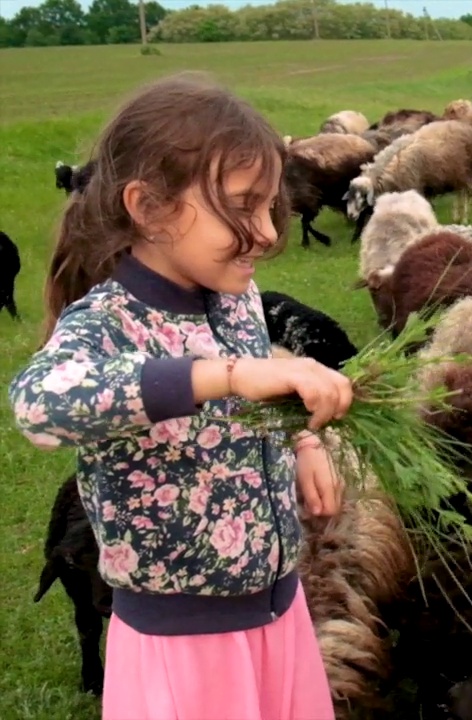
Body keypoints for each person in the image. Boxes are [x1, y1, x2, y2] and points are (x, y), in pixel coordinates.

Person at [9, 72, 351, 720]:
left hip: (278, 612)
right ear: (150, 208)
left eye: (269, 206)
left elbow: (254, 400)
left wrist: (301, 439)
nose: (270, 232)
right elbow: (37, 403)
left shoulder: (237, 298)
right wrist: (216, 375)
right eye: (244, 206)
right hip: (186, 644)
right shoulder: (110, 319)